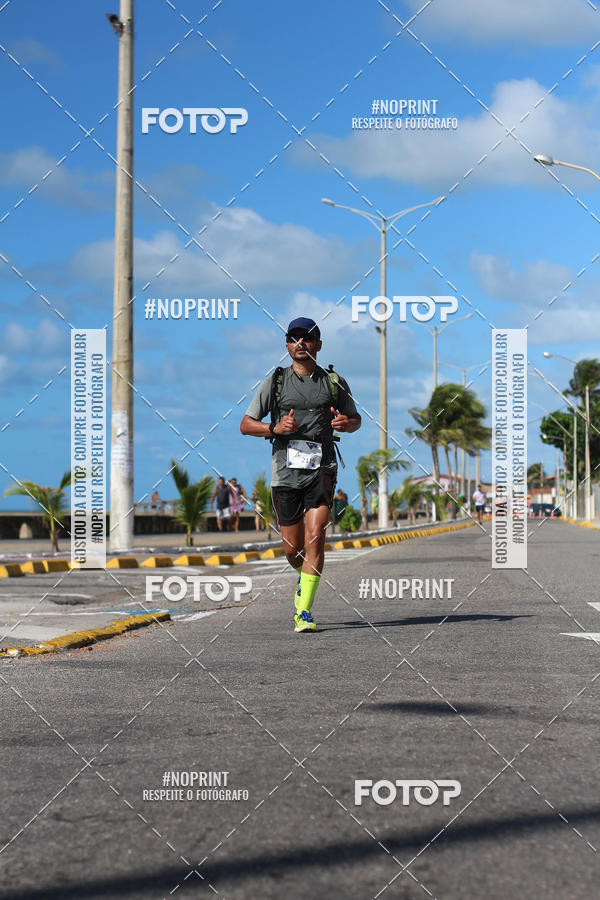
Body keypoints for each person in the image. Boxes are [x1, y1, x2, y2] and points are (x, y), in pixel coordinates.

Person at [240, 316, 361, 632]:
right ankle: (303, 575)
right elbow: (245, 424)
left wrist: (345, 424)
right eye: (294, 338)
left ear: (318, 345)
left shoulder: (333, 383)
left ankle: (303, 612)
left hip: (322, 468)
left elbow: (355, 418)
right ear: (287, 345)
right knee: (293, 549)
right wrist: (274, 427)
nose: (300, 343)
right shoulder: (276, 382)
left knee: (315, 538)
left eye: (307, 339)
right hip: (285, 472)